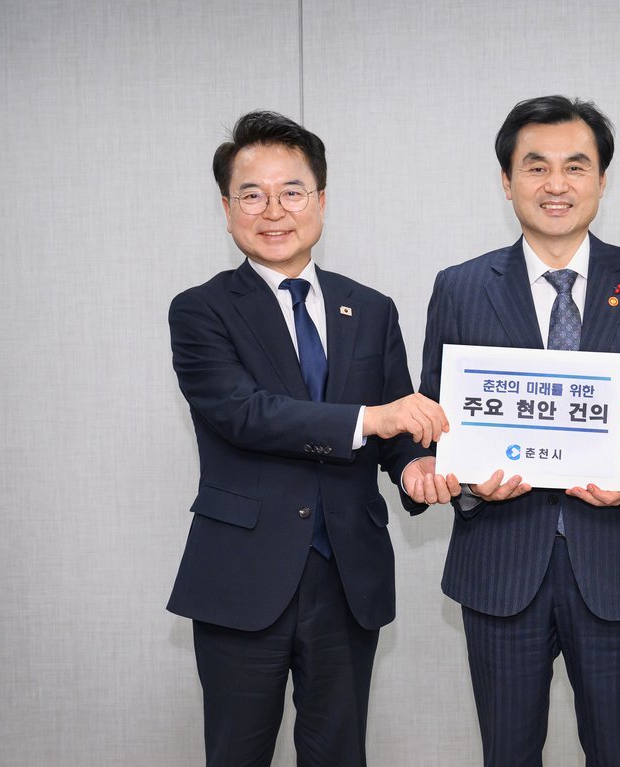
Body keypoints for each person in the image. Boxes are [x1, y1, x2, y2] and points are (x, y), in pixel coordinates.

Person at [419, 96, 620, 766]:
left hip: (618, 565)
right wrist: (466, 481)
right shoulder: (460, 287)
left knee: (617, 753)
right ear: (507, 181)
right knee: (507, 755)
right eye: (536, 167)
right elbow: (433, 416)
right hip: (499, 565)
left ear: (602, 180)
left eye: (576, 166)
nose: (557, 184)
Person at [167, 110, 454, 766]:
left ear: (321, 200)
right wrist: (373, 419)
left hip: (347, 576)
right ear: (227, 209)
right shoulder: (201, 309)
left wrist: (415, 467)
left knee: (339, 755)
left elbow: (397, 430)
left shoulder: (371, 308)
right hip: (244, 575)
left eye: (291, 192)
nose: (274, 211)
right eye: (252, 194)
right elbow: (245, 413)